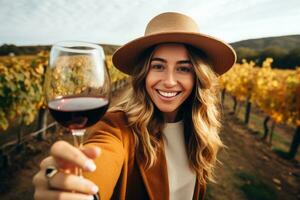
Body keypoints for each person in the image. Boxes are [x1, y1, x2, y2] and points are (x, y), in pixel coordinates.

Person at [33, 12, 236, 200]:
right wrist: (81, 190)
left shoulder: (199, 128)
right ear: (143, 73)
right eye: (158, 66)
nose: (169, 81)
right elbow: (102, 157)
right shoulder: (116, 128)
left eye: (183, 69)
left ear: (197, 77)